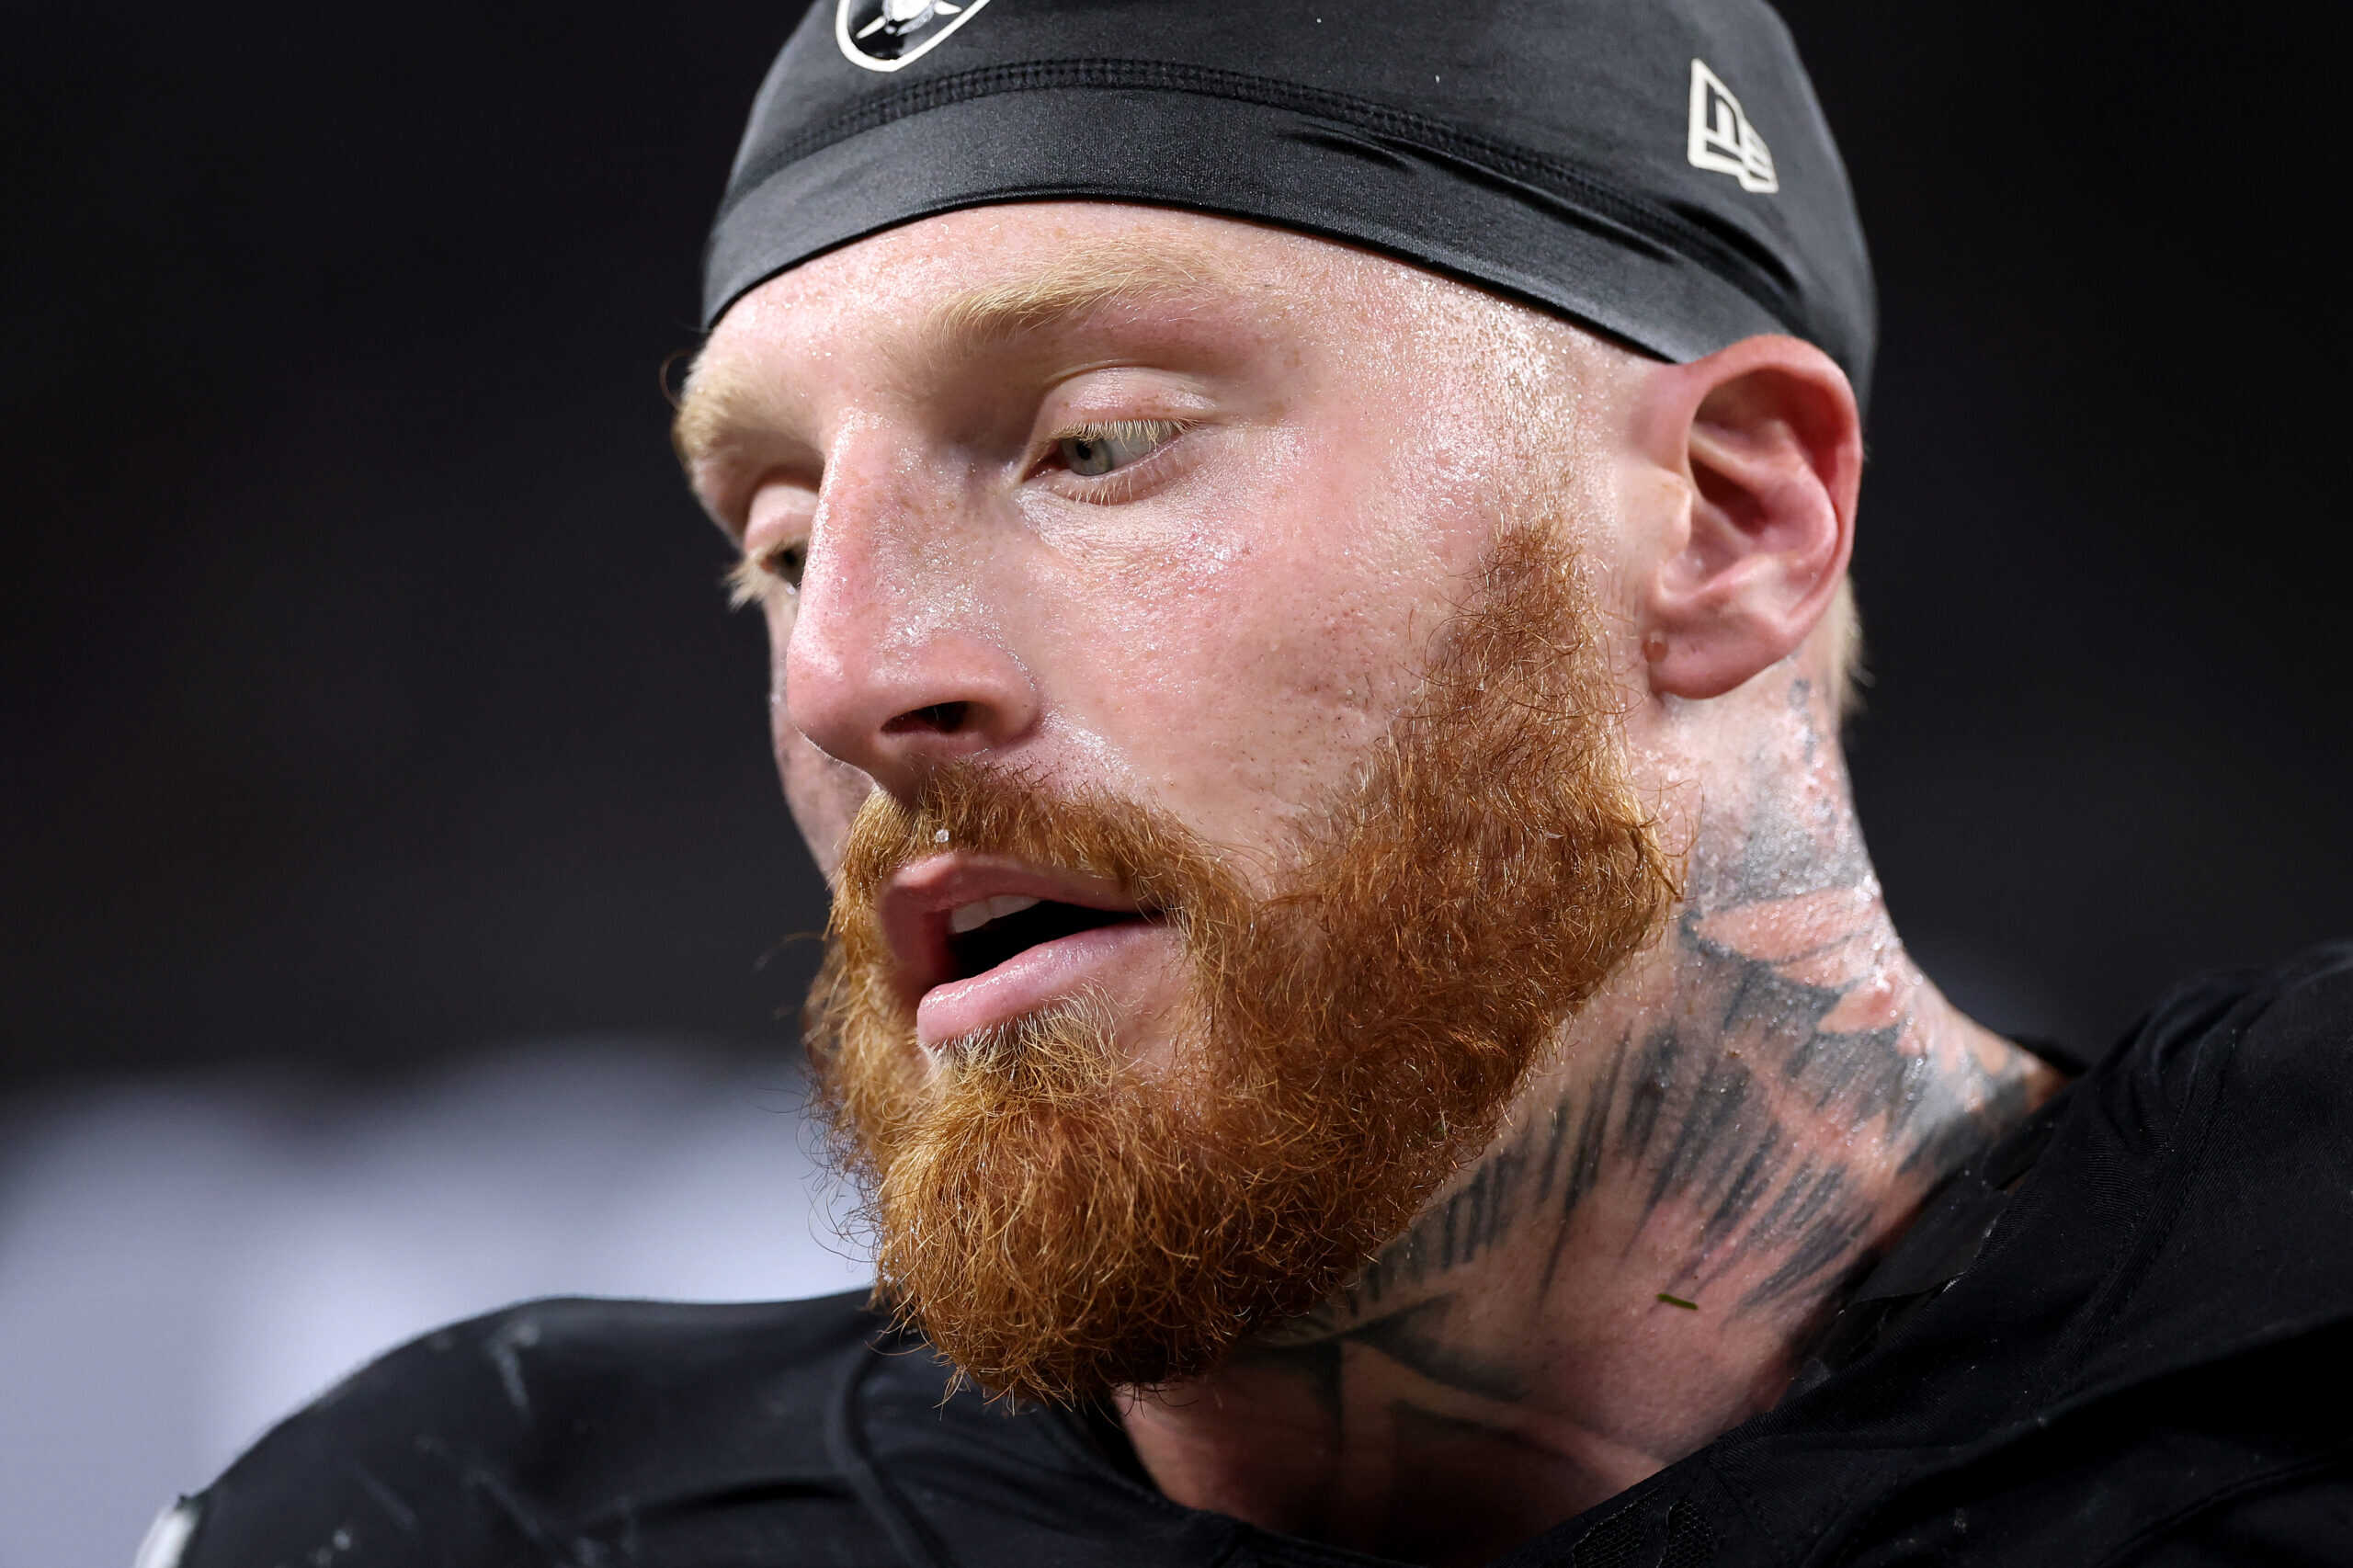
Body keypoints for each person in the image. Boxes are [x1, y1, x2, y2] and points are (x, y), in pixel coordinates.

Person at [152, 2, 2352, 1564]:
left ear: (1726, 519)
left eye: (1091, 443)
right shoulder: (486, 1524)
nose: (846, 675)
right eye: (781, 544)